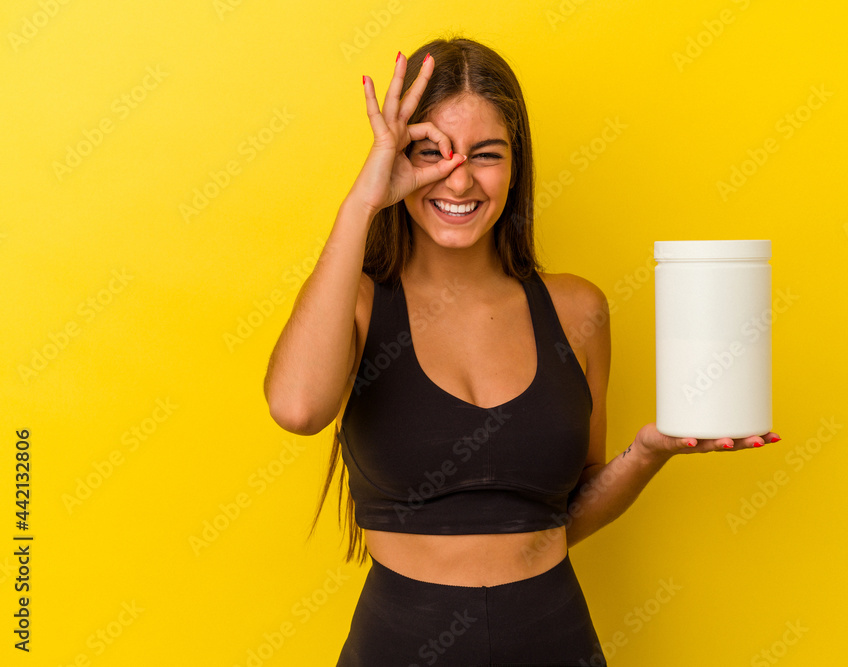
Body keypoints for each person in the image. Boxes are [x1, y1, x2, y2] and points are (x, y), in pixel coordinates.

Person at [263, 35, 780, 666]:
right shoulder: (360, 304)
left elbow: (563, 515)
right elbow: (296, 408)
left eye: (486, 154)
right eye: (430, 153)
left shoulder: (577, 310)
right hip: (400, 644)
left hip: (555, 637)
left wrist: (649, 453)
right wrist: (365, 198)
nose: (459, 178)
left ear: (516, 166)